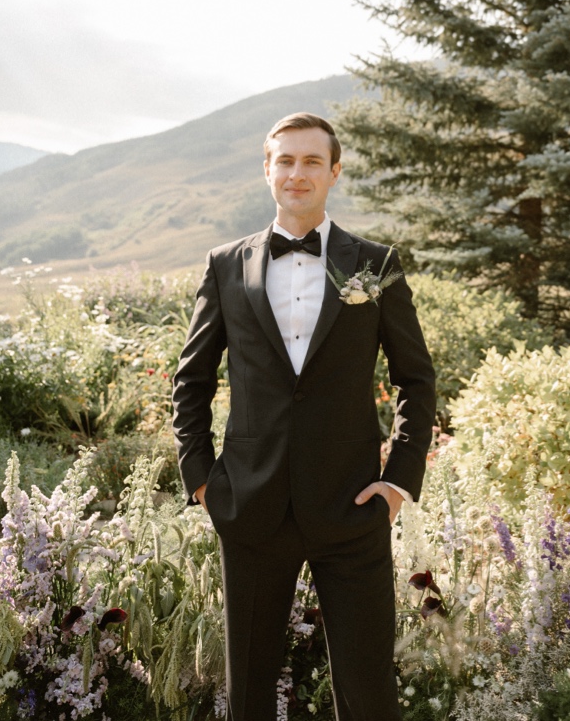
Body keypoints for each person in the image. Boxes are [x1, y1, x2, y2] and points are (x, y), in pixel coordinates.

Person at [171, 112, 437, 720]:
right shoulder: (225, 264)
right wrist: (202, 481)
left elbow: (416, 381)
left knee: (369, 691)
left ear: (334, 172)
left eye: (312, 161)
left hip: (352, 504)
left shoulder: (375, 263)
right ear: (267, 171)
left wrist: (397, 481)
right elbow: (191, 380)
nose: (298, 173)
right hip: (250, 503)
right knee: (249, 693)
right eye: (285, 160)